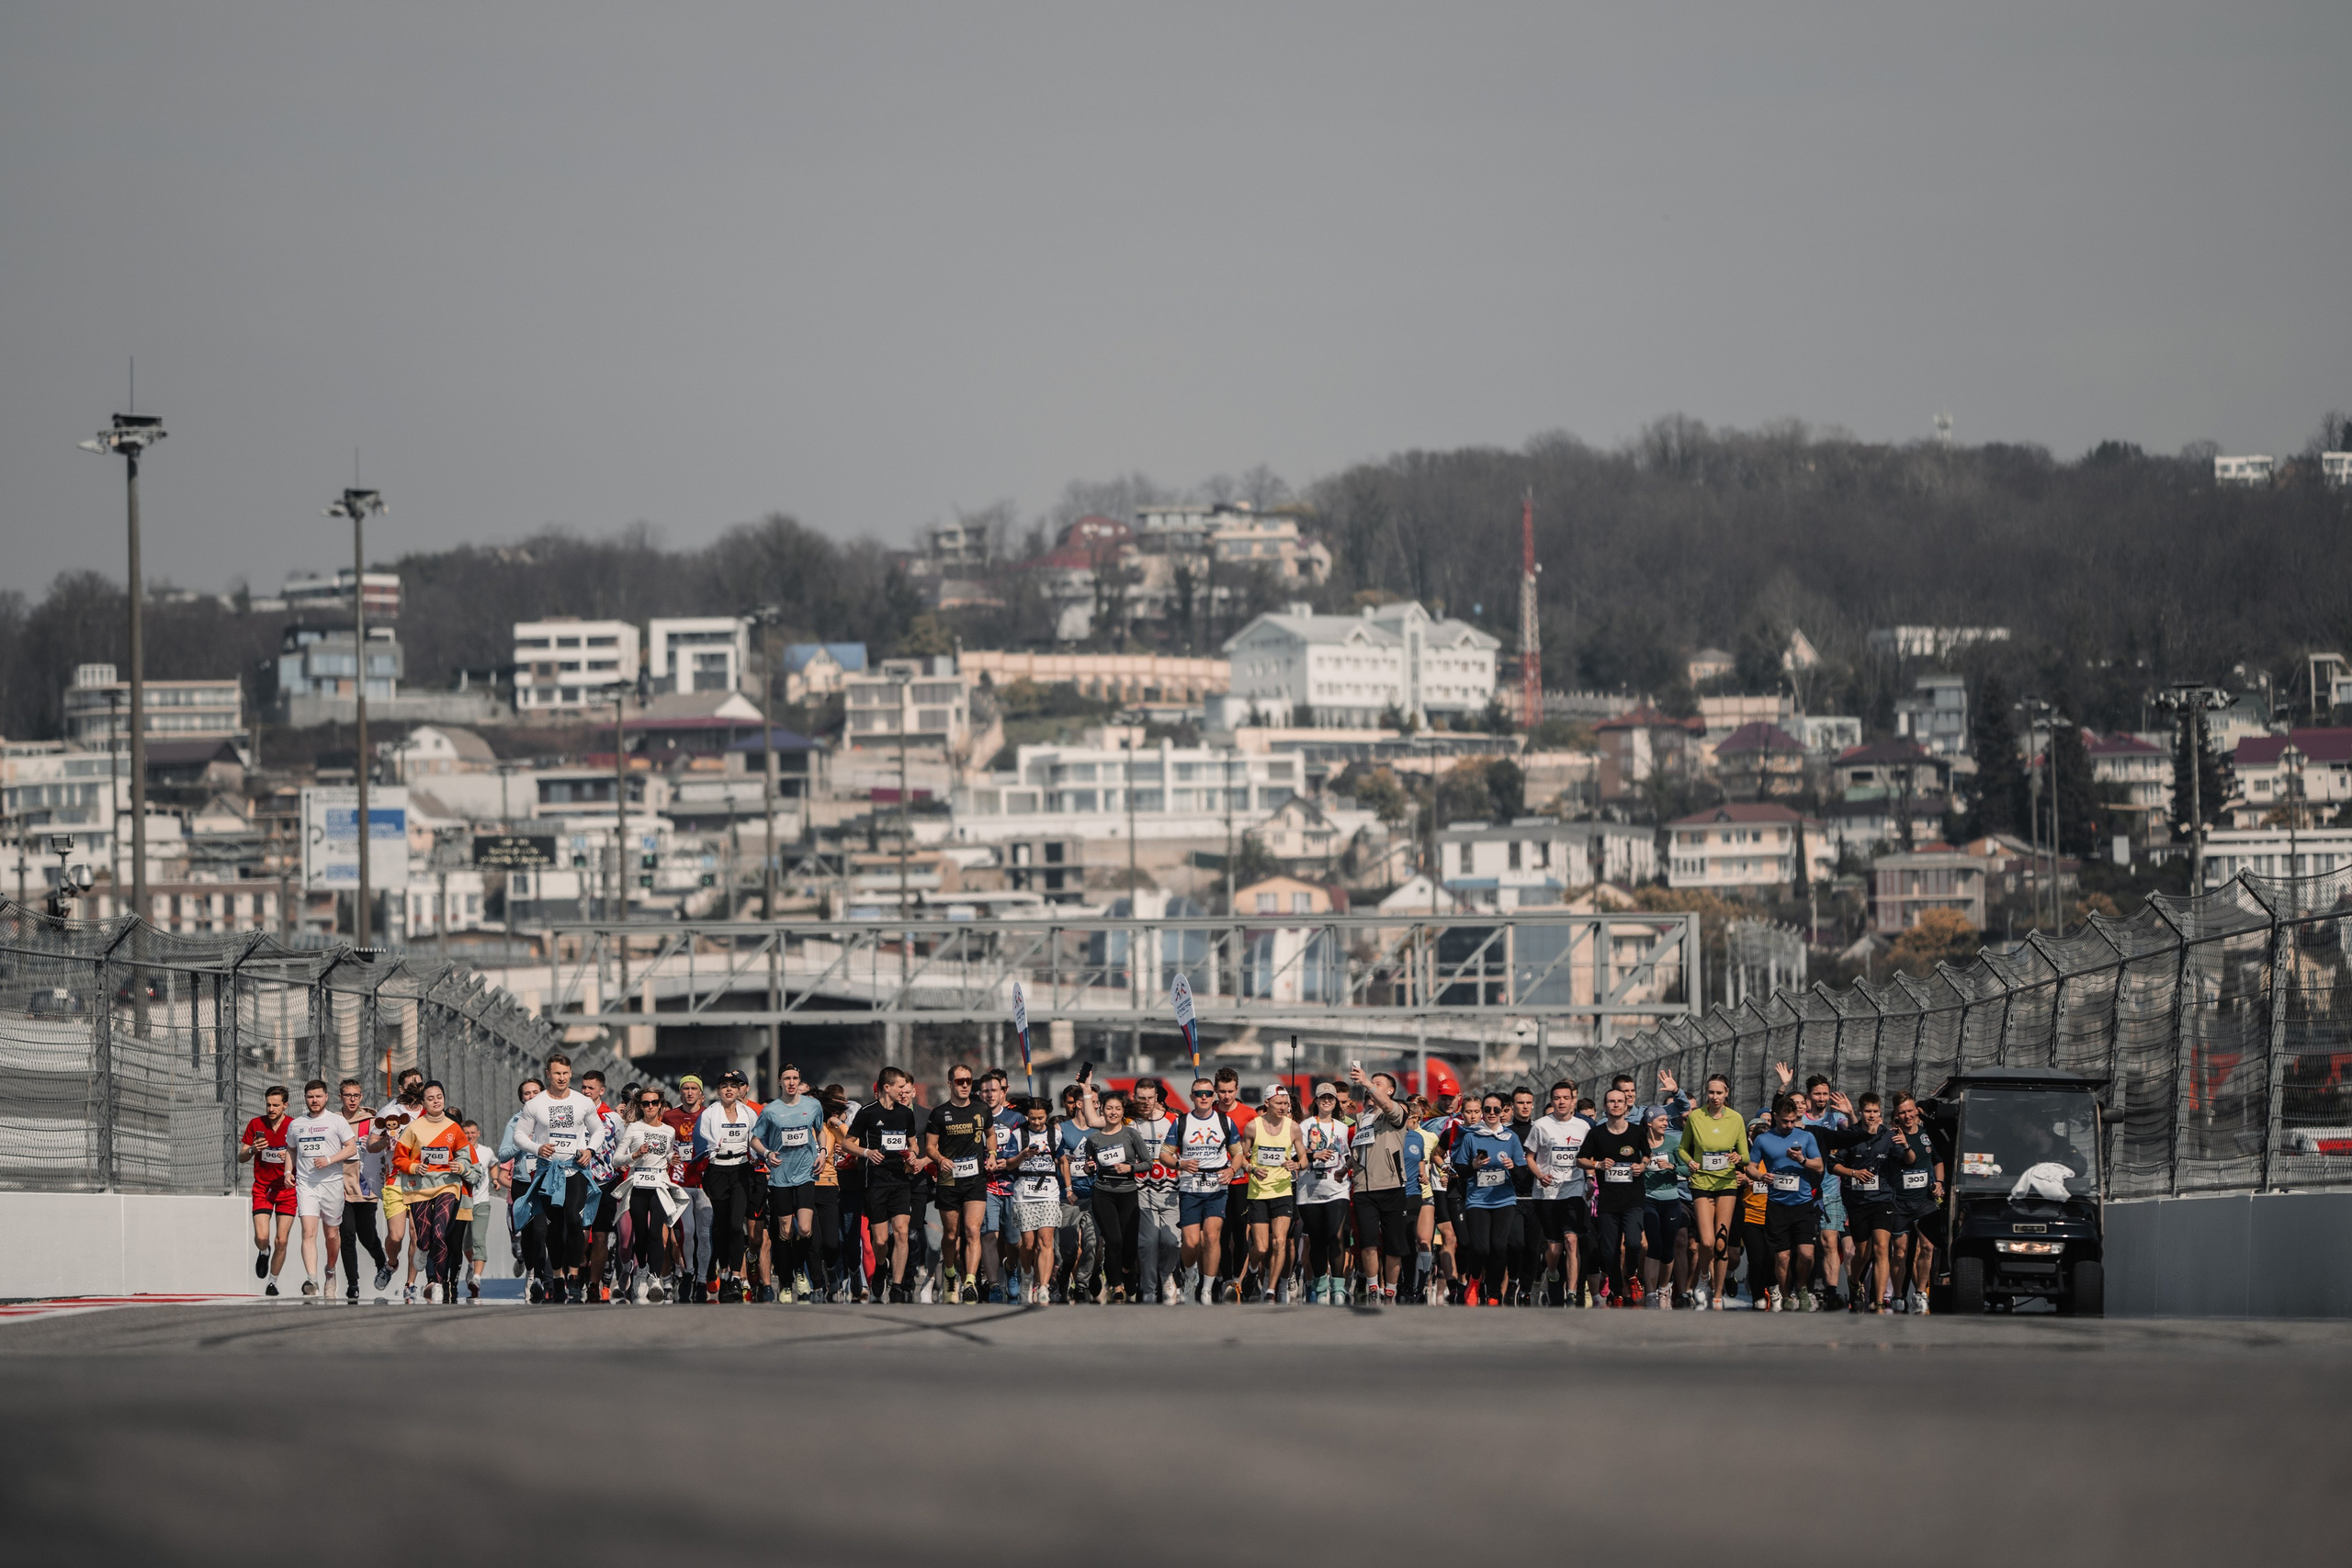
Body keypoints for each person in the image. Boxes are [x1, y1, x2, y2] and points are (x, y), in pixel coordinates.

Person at [507, 1053, 612, 1304]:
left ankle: (574, 1277)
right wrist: (536, 1148)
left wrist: (589, 1150)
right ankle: (557, 1277)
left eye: (566, 1073)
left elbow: (598, 1131)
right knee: (553, 1228)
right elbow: (519, 1136)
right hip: (548, 1173)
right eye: (557, 1073)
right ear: (548, 1075)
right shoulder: (535, 1104)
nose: (562, 1077)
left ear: (570, 1073)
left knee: (574, 1223)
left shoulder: (582, 1102)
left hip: (574, 1170)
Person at [390, 1081, 475, 1304]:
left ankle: (437, 1283)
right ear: (424, 1103)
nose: (436, 1101)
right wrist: (413, 1167)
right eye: (430, 1098)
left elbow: (466, 1158)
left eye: (439, 1097)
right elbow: (399, 1158)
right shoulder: (414, 1128)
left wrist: (461, 1167)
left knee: (440, 1233)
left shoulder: (454, 1128)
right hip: (419, 1188)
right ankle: (422, 1248)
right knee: (425, 1239)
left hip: (447, 1185)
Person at [1823, 1091, 1905, 1314]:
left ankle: (1877, 1301)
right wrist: (1853, 1173)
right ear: (1861, 1112)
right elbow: (1832, 1165)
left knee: (1881, 1248)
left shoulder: (1888, 1136)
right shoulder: (1850, 1135)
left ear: (1881, 1112)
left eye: (1876, 1112)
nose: (1872, 1115)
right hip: (1857, 1201)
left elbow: (1906, 1160)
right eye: (1868, 1111)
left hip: (1883, 1199)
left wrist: (1906, 1145)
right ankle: (1854, 1281)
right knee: (1863, 1253)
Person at [750, 1064, 826, 1302]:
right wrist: (767, 1153)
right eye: (786, 1078)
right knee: (785, 1231)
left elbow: (820, 1130)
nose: (791, 1082)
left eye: (795, 1078)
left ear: (799, 1080)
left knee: (804, 1228)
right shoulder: (771, 1110)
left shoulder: (812, 1105)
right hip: (781, 1177)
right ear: (779, 1082)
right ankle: (785, 1279)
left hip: (805, 1174)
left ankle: (800, 1270)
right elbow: (754, 1139)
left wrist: (823, 1151)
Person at [1780, 1065, 1850, 1309]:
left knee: (1830, 1242)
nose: (1821, 1098)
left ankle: (1830, 1292)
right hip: (1801, 1192)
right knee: (1802, 1248)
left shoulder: (1836, 1118)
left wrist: (1850, 1114)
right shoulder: (1800, 1121)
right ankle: (1799, 1290)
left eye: (1825, 1093)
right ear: (1809, 1096)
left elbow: (1852, 1135)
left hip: (1831, 1191)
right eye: (1817, 1094)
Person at [848, 1066, 922, 1302]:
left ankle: (897, 1286)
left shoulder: (905, 1113)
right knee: (880, 1240)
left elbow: (914, 1144)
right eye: (900, 1087)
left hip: (900, 1182)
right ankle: (882, 1266)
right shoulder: (868, 1112)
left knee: (902, 1232)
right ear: (886, 1087)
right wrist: (867, 1152)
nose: (904, 1091)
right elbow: (848, 1143)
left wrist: (911, 1154)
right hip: (875, 1183)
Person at [1747, 1093, 1825, 1312]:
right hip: (1777, 1206)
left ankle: (1801, 1287)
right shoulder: (1763, 1139)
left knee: (1807, 1254)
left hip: (1802, 1204)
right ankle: (1786, 1293)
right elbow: (1751, 1167)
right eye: (1784, 1121)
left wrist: (1802, 1160)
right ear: (1775, 1117)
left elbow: (1819, 1166)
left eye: (1792, 1121)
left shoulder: (1806, 1137)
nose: (1789, 1125)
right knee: (1782, 1258)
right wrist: (1761, 1176)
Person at [1676, 1074, 1748, 1311]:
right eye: (1711, 1092)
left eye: (1719, 1093)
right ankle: (1704, 1279)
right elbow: (1682, 1149)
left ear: (1727, 1093)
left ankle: (1718, 1294)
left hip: (1726, 1184)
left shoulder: (1736, 1119)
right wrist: (1690, 1163)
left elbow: (1745, 1155)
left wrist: (1738, 1158)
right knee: (1706, 1242)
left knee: (1720, 1243)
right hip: (1701, 1184)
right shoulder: (1696, 1117)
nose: (1715, 1097)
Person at [1167, 1077, 1241, 1305]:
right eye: (1199, 1093)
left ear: (1213, 1096)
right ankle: (1190, 1276)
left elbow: (1238, 1153)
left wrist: (1232, 1170)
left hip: (1217, 1187)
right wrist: (1180, 1164)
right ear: (1191, 1097)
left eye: (1208, 1093)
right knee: (1190, 1243)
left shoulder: (1225, 1122)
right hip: (1190, 1187)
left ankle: (1207, 1289)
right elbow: (1164, 1155)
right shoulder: (1181, 1123)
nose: (1204, 1097)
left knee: (1211, 1236)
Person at [1346, 1065, 1413, 1304]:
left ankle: (1391, 1291)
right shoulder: (1362, 1118)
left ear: (1391, 1090)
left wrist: (1366, 1082)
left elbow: (1387, 1105)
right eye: (1370, 1083)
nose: (1372, 1087)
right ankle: (1373, 1288)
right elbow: (1361, 1151)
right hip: (1364, 1188)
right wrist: (1347, 1167)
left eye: (1378, 1084)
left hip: (1392, 1186)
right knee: (1368, 1242)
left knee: (1394, 1246)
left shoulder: (1397, 1111)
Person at [1450, 1094, 1526, 1305]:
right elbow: (1461, 1170)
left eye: (1496, 1110)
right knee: (1481, 1248)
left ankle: (1494, 1293)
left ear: (1503, 1112)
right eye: (1488, 1110)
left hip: (1504, 1200)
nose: (1492, 1113)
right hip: (1478, 1200)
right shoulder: (1471, 1137)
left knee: (1499, 1247)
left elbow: (1522, 1175)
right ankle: (1474, 1280)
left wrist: (1513, 1167)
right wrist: (1473, 1165)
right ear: (1482, 1112)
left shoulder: (1510, 1138)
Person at [286, 1079, 358, 1301]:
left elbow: (352, 1148)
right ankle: (312, 1279)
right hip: (307, 1185)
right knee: (308, 1232)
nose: (314, 1100)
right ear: (305, 1099)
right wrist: (288, 1171)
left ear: (326, 1097)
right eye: (310, 1097)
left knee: (332, 1235)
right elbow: (290, 1149)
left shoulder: (336, 1121)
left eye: (318, 1096)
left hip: (332, 1184)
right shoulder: (296, 1124)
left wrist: (329, 1159)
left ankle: (330, 1271)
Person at [1577, 1088, 1648, 1307]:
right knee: (1609, 1252)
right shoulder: (1597, 1134)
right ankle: (1617, 1291)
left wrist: (1641, 1166)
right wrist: (1597, 1164)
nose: (1616, 1105)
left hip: (1633, 1199)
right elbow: (1581, 1160)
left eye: (1620, 1101)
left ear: (1627, 1105)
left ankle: (1632, 1274)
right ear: (1605, 1106)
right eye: (1611, 1101)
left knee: (1635, 1244)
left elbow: (1647, 1155)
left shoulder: (1636, 1132)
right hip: (1608, 1202)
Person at [925, 1063, 989, 1302]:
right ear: (950, 1083)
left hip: (975, 1180)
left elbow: (990, 1135)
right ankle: (951, 1273)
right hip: (949, 1179)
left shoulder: (982, 1109)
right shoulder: (939, 1113)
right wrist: (940, 1159)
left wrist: (991, 1154)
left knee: (973, 1230)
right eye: (960, 1081)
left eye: (968, 1081)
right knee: (951, 1235)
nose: (965, 1085)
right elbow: (929, 1147)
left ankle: (971, 1281)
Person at [1080, 1089, 1153, 1303]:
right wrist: (1088, 1168)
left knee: (1129, 1246)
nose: (1113, 1112)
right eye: (1109, 1108)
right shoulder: (1094, 1139)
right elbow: (1089, 1168)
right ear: (1102, 1110)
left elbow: (1148, 1163)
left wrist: (1129, 1168)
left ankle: (1128, 1270)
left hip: (1128, 1194)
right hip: (1103, 1194)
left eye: (1117, 1109)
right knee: (1113, 1241)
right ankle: (1116, 1285)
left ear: (1123, 1112)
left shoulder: (1131, 1134)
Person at [1524, 1081, 1590, 1307]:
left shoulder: (1583, 1127)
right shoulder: (1541, 1125)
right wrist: (1540, 1175)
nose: (1561, 1102)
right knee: (1554, 1248)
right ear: (1551, 1101)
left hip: (1573, 1189)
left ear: (1573, 1101)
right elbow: (1529, 1157)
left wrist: (1590, 1178)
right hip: (1547, 1193)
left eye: (1566, 1098)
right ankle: (1551, 1271)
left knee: (1572, 1240)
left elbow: (1588, 1158)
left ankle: (1571, 1293)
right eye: (1557, 1098)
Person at [696, 1069, 760, 1302]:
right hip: (717, 1170)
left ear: (739, 1090)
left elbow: (757, 1138)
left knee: (736, 1225)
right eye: (724, 1086)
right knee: (721, 1226)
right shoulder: (710, 1113)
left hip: (741, 1170)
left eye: (733, 1085)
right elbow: (701, 1140)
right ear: (718, 1091)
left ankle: (735, 1277)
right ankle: (723, 1274)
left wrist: (759, 1155)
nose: (729, 1089)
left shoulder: (748, 1113)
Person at [616, 1088, 683, 1303]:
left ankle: (655, 1278)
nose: (650, 1107)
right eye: (646, 1104)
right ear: (640, 1106)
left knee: (656, 1233)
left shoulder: (668, 1131)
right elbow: (616, 1159)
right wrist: (634, 1155)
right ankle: (641, 1272)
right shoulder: (634, 1128)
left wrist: (672, 1158)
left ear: (661, 1105)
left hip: (659, 1186)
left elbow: (668, 1153)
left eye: (654, 1103)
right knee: (641, 1233)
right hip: (638, 1185)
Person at [1241, 1084, 1303, 1303]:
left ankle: (1271, 1289)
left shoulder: (1293, 1127)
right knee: (1261, 1246)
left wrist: (1297, 1165)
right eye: (1279, 1103)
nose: (1284, 1107)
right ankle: (1252, 1268)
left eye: (1286, 1104)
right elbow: (1242, 1157)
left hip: (1283, 1191)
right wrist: (1251, 1168)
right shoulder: (1252, 1127)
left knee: (1279, 1242)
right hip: (1258, 1193)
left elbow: (1303, 1158)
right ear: (1267, 1103)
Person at [1295, 1083, 1353, 1304]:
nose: (1327, 1101)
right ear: (1316, 1101)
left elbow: (1348, 1154)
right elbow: (1294, 1158)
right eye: (1322, 1098)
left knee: (1336, 1236)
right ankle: (1320, 1288)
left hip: (1337, 1189)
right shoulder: (1304, 1126)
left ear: (1336, 1101)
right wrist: (1313, 1155)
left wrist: (1346, 1168)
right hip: (1310, 1190)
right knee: (1317, 1240)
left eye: (1331, 1097)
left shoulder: (1342, 1128)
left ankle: (1338, 1288)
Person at [332, 1078, 389, 1303]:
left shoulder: (373, 1122)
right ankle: (352, 1284)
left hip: (366, 1187)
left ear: (362, 1096)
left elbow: (387, 1144)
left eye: (356, 1095)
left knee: (367, 1236)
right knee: (346, 1236)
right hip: (340, 1187)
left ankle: (381, 1262)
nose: (352, 1099)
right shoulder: (332, 1122)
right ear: (341, 1097)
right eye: (348, 1095)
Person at [1128, 1077, 1182, 1305]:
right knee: (1148, 1241)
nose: (1147, 1102)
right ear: (1134, 1098)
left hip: (1171, 1191)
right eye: (1142, 1098)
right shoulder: (1129, 1123)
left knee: (1171, 1241)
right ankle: (1148, 1288)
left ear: (1157, 1098)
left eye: (1151, 1098)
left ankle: (1167, 1274)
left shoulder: (1175, 1121)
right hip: (1142, 1191)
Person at [1890, 1091, 1945, 1314]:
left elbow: (1938, 1160)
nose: (1907, 1116)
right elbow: (1908, 1159)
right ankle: (1898, 1295)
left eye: (1910, 1111)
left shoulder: (1926, 1135)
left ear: (1917, 1111)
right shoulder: (1894, 1136)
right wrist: (1905, 1144)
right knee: (1900, 1252)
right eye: (1902, 1112)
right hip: (1900, 1202)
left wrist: (1939, 1182)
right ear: (1896, 1114)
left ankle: (1921, 1292)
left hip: (1924, 1201)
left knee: (1928, 1246)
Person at [375, 1069, 426, 1301]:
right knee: (396, 1236)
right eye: (410, 1084)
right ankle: (391, 1263)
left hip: (423, 1180)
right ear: (401, 1088)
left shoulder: (430, 1111)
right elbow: (370, 1144)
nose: (416, 1086)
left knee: (417, 1234)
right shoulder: (389, 1112)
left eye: (419, 1083)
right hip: (395, 1178)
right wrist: (386, 1140)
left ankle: (410, 1284)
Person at [661, 1077, 713, 1303]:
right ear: (680, 1093)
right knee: (687, 1232)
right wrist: (667, 1156)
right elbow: (660, 1145)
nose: (690, 1092)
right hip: (680, 1183)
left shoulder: (710, 1115)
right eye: (685, 1089)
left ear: (701, 1094)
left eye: (694, 1089)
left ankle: (701, 1281)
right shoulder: (669, 1117)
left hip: (704, 1184)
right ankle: (688, 1273)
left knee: (704, 1234)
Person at [240, 1085, 296, 1295]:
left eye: (275, 1105)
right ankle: (264, 1252)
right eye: (268, 1105)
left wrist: (290, 1157)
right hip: (262, 1187)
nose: (271, 1109)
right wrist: (254, 1148)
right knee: (263, 1237)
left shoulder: (294, 1126)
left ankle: (272, 1282)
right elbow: (242, 1156)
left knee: (282, 1239)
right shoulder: (256, 1124)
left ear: (285, 1105)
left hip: (287, 1189)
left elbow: (306, 1157)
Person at [1055, 1073, 1105, 1303]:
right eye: (1089, 1101)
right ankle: (1066, 1269)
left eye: (1096, 1102)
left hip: (1095, 1195)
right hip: (1070, 1197)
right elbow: (1055, 1158)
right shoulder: (1062, 1130)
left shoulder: (1102, 1129)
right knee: (1068, 1246)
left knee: (1092, 1244)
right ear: (1077, 1104)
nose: (1094, 1106)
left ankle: (1082, 1284)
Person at [1012, 1096, 1065, 1303]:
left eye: (1041, 1118)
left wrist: (1067, 1187)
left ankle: (1043, 1286)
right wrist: (1023, 1155)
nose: (1036, 1122)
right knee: (1028, 1244)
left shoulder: (1056, 1135)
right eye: (1032, 1118)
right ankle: (1027, 1275)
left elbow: (1061, 1160)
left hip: (1049, 1192)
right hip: (1024, 1193)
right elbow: (1009, 1165)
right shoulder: (1018, 1135)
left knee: (1046, 1241)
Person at [1638, 1111, 1690, 1309]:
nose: (1666, 1123)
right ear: (1650, 1123)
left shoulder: (1673, 1143)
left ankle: (1663, 1289)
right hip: (1648, 1199)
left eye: (1667, 1120)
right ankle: (1650, 1293)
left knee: (1668, 1249)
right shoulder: (1640, 1143)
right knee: (1654, 1245)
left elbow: (1689, 1168)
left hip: (1671, 1201)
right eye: (1661, 1120)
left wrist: (1672, 1166)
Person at [458, 1116, 494, 1303]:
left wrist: (495, 1179)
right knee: (466, 1244)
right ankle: (471, 1265)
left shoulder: (486, 1152)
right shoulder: (458, 1152)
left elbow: (494, 1164)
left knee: (479, 1240)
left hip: (481, 1203)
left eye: (473, 1133)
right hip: (463, 1203)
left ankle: (477, 1279)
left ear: (478, 1133)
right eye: (466, 1133)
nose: (470, 1136)